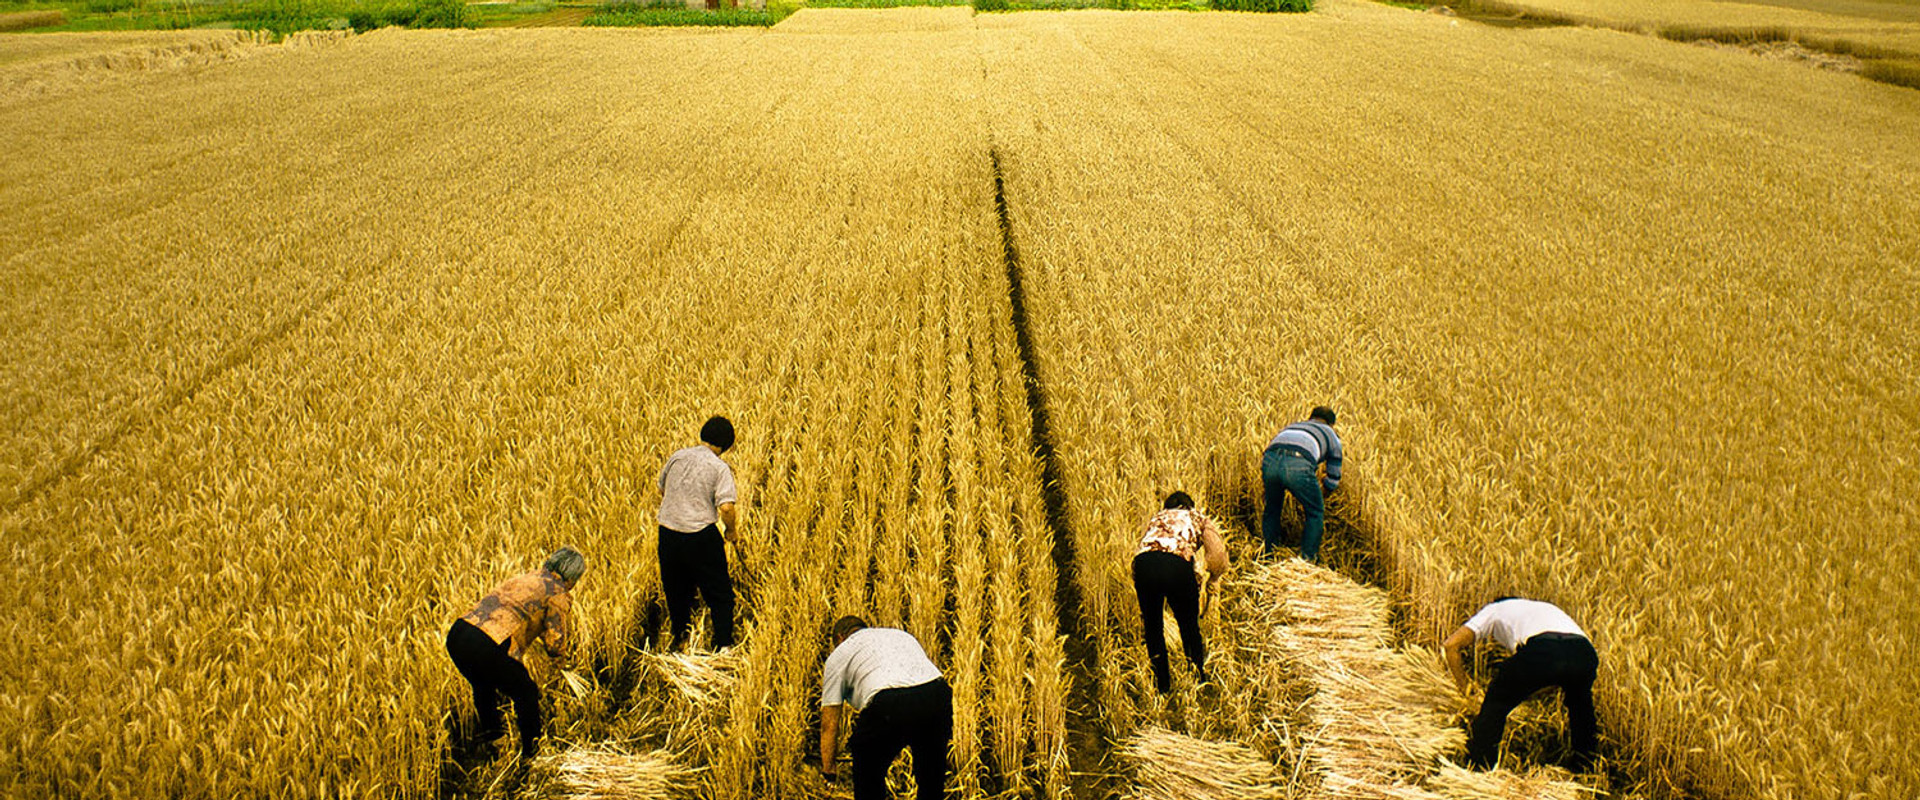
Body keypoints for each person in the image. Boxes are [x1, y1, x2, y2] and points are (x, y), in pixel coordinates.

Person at [446, 546, 585, 760]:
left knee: (483, 685)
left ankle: (495, 743)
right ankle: (533, 754)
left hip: (459, 633)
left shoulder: (529, 576)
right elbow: (555, 644)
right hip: (488, 642)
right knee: (526, 692)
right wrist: (561, 665)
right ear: (572, 578)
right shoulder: (558, 592)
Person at [1442, 596, 1599, 771]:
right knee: (1581, 707)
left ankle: (1478, 767)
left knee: (1496, 699)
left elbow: (1451, 645)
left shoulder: (1494, 609)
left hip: (1546, 646)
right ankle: (1586, 769)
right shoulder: (1543, 608)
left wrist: (1466, 690)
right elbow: (1553, 673)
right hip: (1585, 652)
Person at [818, 616, 951, 800]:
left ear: (840, 638)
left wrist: (829, 770)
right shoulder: (900, 635)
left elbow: (829, 723)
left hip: (889, 703)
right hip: (937, 693)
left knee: (867, 766)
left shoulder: (840, 654)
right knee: (931, 776)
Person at [1132, 490, 1229, 693]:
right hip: (1176, 565)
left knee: (1153, 627)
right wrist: (1213, 578)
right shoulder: (1197, 517)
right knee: (1189, 625)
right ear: (1190, 506)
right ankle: (1198, 676)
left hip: (1143, 564)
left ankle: (1162, 685)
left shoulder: (1157, 517)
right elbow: (1218, 555)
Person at [657, 415, 740, 651]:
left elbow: (661, 490)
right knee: (719, 593)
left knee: (676, 589)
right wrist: (731, 532)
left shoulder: (678, 456)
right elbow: (726, 507)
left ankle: (681, 639)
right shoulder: (719, 467)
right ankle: (723, 644)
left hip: (668, 533)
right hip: (700, 536)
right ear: (725, 445)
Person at [1261, 405, 1343, 562]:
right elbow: (1333, 478)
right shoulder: (1331, 435)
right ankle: (1307, 561)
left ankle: (1268, 555)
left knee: (1272, 509)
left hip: (1270, 460)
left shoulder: (1294, 425)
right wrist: (1322, 495)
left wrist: (1267, 487)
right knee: (1315, 512)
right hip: (1298, 463)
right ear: (1331, 424)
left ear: (1311, 418)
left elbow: (1270, 449)